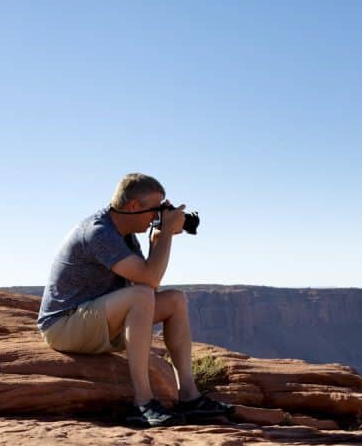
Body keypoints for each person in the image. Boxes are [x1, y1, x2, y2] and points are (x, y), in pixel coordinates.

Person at [38, 173, 234, 427]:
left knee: (175, 300)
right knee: (141, 296)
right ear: (133, 206)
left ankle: (189, 396)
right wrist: (164, 235)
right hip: (63, 326)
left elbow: (147, 284)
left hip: (95, 323)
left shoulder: (125, 235)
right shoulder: (99, 232)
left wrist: (157, 239)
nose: (157, 216)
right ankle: (142, 403)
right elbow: (147, 285)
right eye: (156, 209)